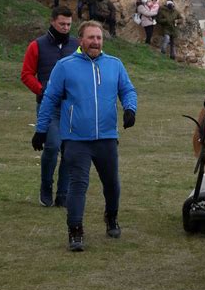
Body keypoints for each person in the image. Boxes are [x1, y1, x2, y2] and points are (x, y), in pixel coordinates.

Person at [31, 20, 137, 251]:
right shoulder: (65, 66)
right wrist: (41, 129)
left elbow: (127, 89)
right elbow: (49, 98)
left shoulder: (114, 64)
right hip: (76, 139)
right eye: (91, 38)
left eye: (99, 38)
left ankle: (111, 217)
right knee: (78, 185)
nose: (95, 42)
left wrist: (130, 108)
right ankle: (75, 231)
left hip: (107, 137)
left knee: (112, 184)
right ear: (81, 40)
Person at [21, 6, 78, 207]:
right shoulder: (36, 46)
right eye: (62, 23)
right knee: (52, 146)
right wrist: (42, 90)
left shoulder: (77, 46)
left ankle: (63, 192)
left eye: (69, 24)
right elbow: (26, 74)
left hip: (71, 108)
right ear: (52, 21)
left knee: (69, 150)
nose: (65, 27)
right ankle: (46, 186)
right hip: (48, 107)